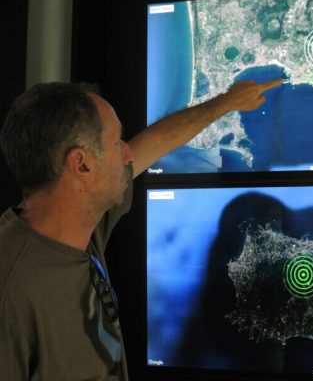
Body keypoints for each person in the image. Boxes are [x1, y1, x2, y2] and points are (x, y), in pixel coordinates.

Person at [0, 78, 282, 380]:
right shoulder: (12, 289)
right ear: (81, 165)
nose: (129, 154)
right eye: (116, 143)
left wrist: (227, 102)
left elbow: (158, 141)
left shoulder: (81, 224)